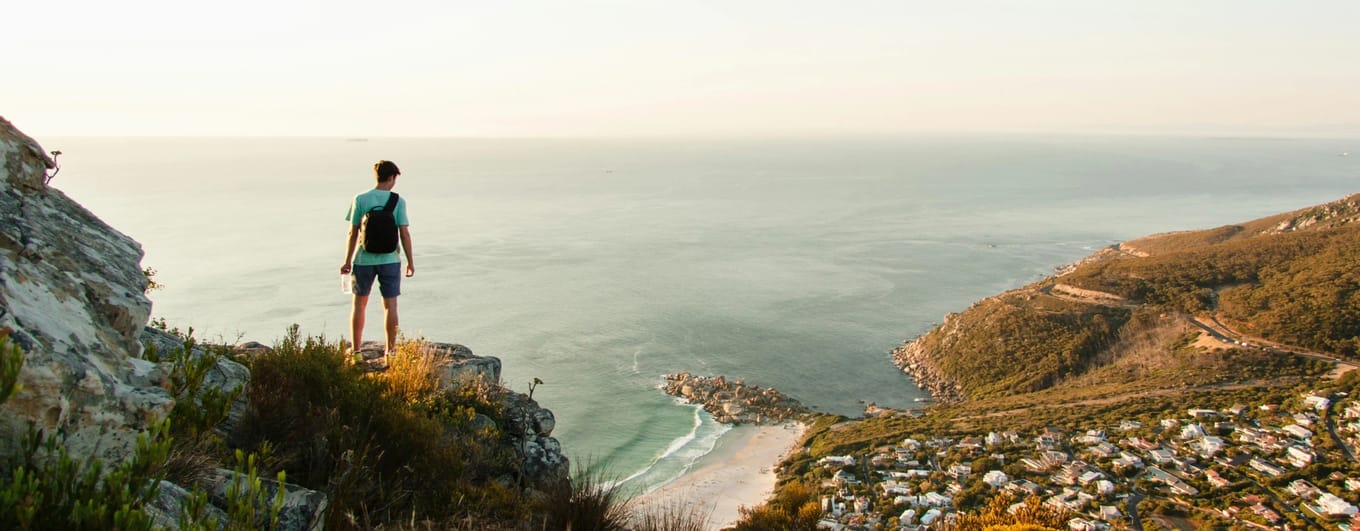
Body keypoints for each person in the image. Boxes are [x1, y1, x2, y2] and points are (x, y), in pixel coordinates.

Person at [341, 160, 414, 362]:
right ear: (391, 178)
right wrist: (410, 262)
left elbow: (352, 232)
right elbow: (405, 234)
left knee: (359, 305)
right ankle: (390, 353)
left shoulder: (360, 199)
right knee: (390, 306)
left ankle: (356, 353)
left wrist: (347, 261)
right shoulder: (398, 201)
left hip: (363, 259)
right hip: (390, 260)